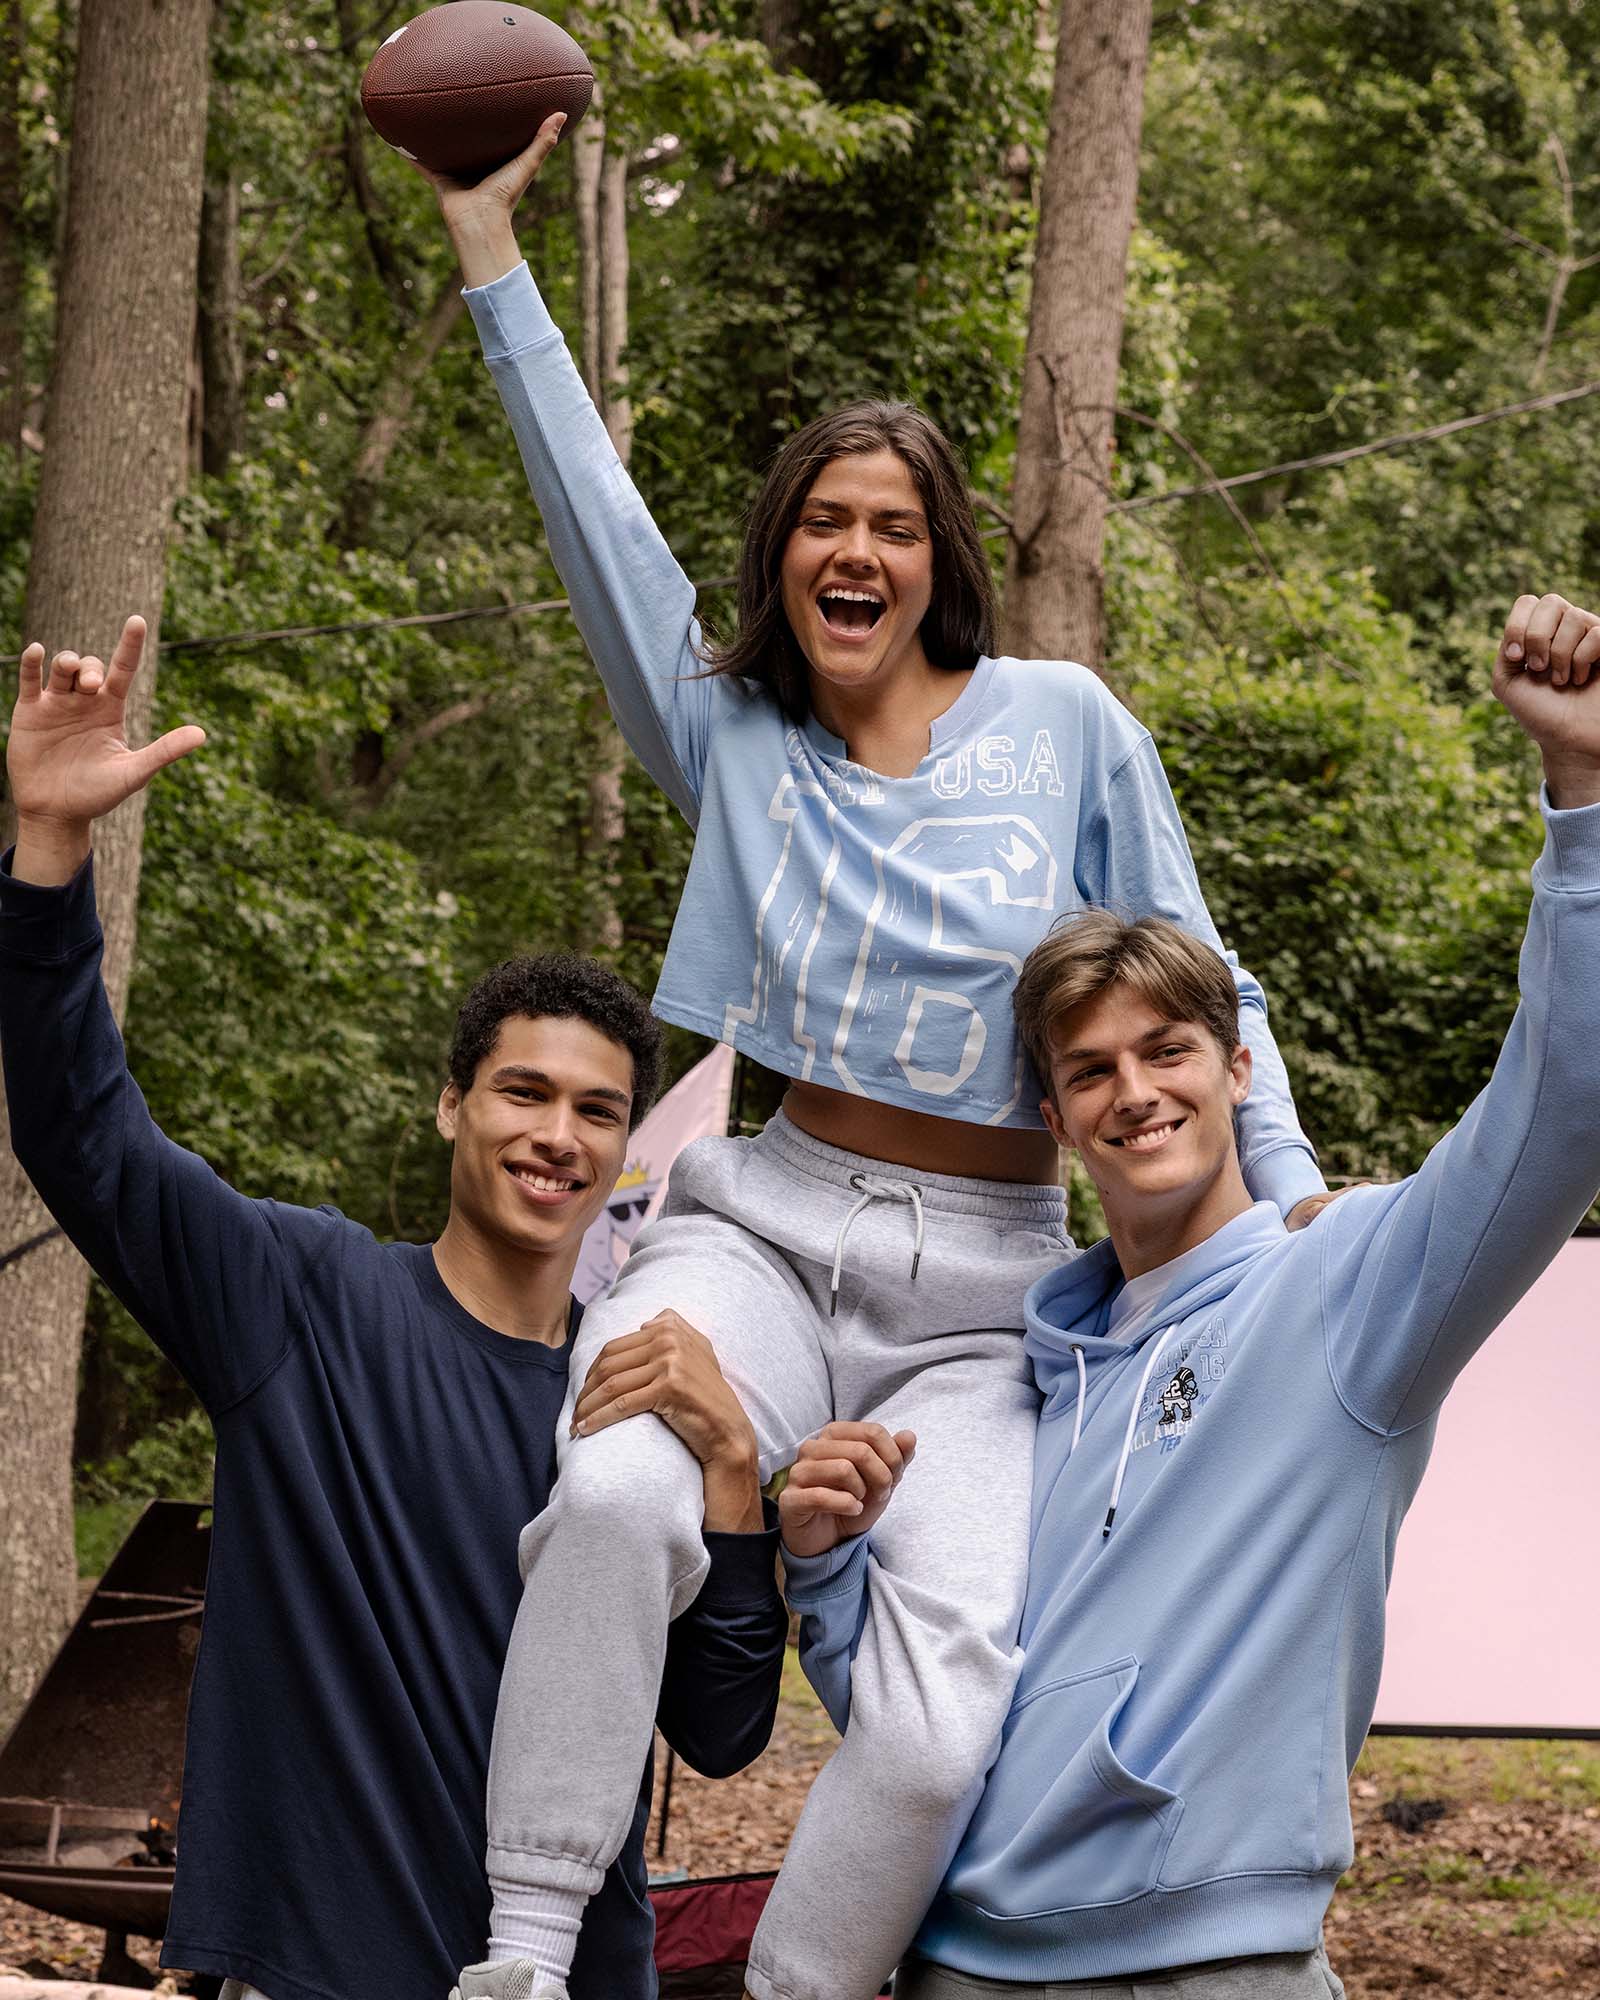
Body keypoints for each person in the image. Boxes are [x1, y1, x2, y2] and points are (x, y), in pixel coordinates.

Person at [422, 112, 1333, 2000]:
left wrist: (1295, 1204)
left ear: (936, 565)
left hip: (987, 1304)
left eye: (893, 525)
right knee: (608, 1497)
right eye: (824, 523)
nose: (856, 549)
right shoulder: (736, 736)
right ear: (787, 557)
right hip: (762, 1228)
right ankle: (519, 1961)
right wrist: (489, 250)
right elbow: (598, 530)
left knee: (929, 1733)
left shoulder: (1065, 725)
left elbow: (1201, 971)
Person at [781, 593, 1600, 1998]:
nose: (1134, 1093)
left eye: (1166, 1050)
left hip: (1219, 1961)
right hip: (956, 1965)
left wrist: (1582, 803)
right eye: (1090, 1070)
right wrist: (826, 1568)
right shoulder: (1010, 1374)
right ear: (1052, 1113)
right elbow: (912, 1712)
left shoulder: (1349, 1291)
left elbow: (1563, 1102)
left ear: (1233, 1066)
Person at [0, 618, 788, 2000]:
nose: (557, 1135)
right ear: (452, 1105)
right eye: (524, 1092)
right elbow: (85, 1135)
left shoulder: (633, 1404)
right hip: (319, 1966)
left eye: (598, 1111)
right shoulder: (301, 1301)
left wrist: (732, 1475)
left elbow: (718, 1736)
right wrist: (51, 856)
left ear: (628, 1158)